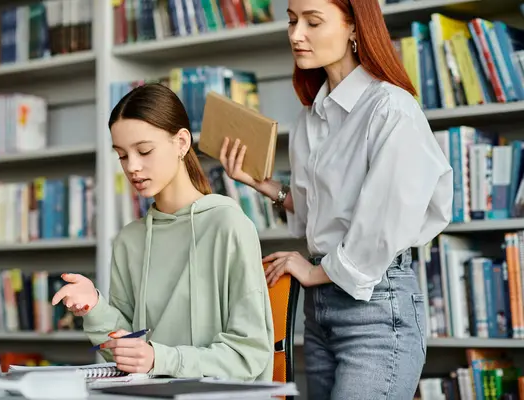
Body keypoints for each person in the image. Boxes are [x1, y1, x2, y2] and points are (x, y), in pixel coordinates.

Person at [220, 0, 453, 398]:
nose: (296, 35)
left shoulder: (391, 107)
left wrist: (313, 272)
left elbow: (384, 220)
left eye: (313, 22)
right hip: (320, 310)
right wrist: (263, 185)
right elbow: (321, 212)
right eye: (292, 21)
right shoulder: (310, 118)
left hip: (376, 308)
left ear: (354, 29)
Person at [51, 83, 274, 381]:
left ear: (182, 142)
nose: (133, 167)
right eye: (122, 155)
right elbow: (127, 353)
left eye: (144, 150)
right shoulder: (129, 241)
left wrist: (160, 358)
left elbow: (249, 355)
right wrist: (94, 306)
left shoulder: (228, 226)